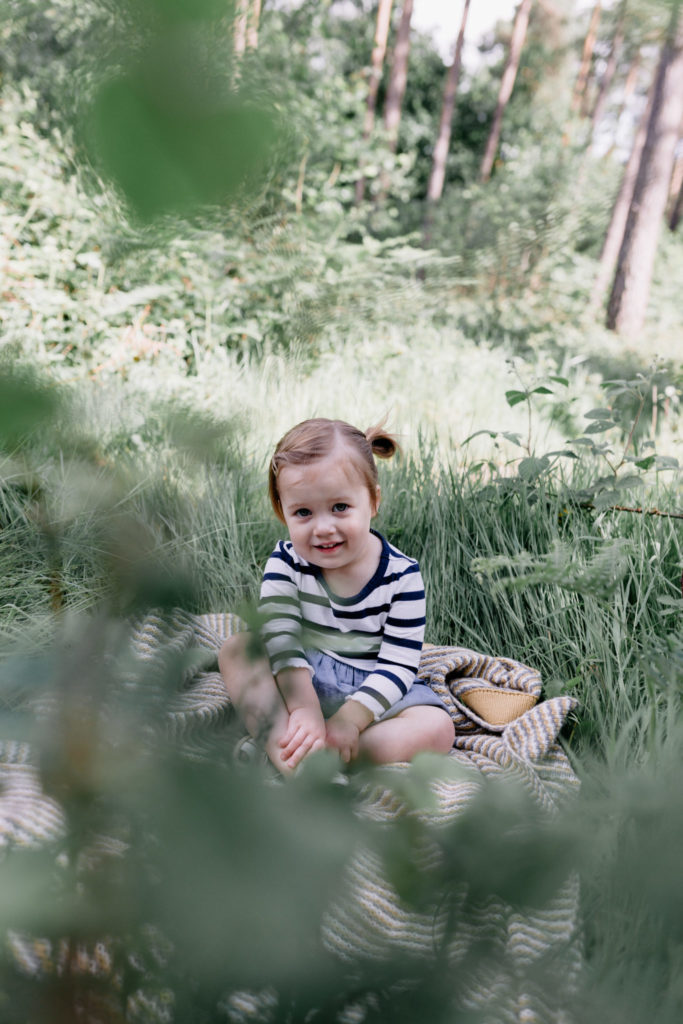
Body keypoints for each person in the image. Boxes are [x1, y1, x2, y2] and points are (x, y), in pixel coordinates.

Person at [218, 417, 455, 775]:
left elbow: (398, 666)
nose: (323, 527)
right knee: (236, 649)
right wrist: (304, 707)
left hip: (374, 687)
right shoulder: (286, 563)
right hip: (299, 674)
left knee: (438, 728)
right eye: (303, 512)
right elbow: (281, 639)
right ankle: (290, 749)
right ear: (283, 512)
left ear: (373, 502)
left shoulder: (402, 576)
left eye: (340, 507)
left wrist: (350, 720)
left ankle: (328, 757)